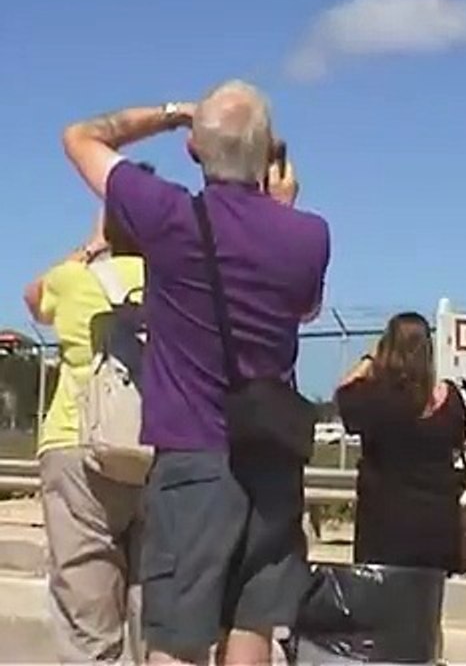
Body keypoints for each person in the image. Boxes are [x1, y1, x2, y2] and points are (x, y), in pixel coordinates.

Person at [61, 80, 331, 666]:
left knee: (179, 641)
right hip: (272, 462)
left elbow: (79, 137)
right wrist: (281, 208)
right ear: (269, 156)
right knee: (252, 628)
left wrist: (172, 114)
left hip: (193, 459)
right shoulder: (309, 235)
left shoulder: (168, 217)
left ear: (193, 150)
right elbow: (304, 308)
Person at [23, 173, 152, 663]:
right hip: (161, 449)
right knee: (157, 614)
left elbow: (34, 299)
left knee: (86, 622)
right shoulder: (177, 285)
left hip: (77, 446)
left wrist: (91, 246)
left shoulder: (74, 281)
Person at [335, 312, 466, 573]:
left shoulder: (374, 399)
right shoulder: (450, 398)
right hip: (438, 532)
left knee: (385, 610)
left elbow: (343, 394)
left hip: (385, 533)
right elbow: (458, 440)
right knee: (427, 609)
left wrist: (369, 360)